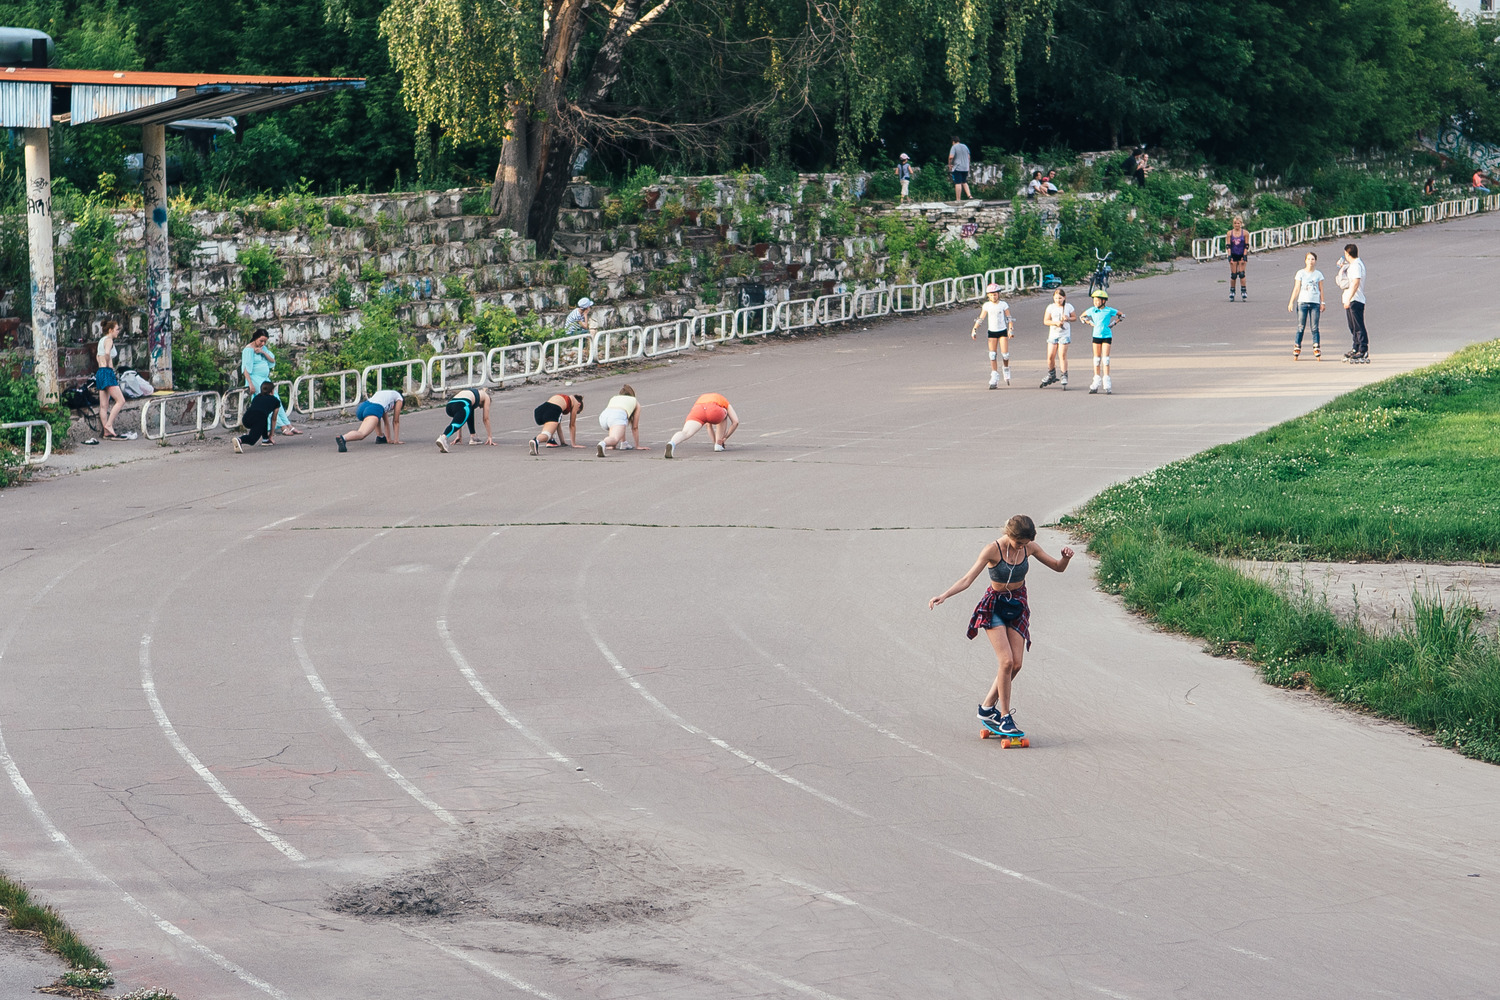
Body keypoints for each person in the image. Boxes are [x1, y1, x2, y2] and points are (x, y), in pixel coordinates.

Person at [927, 514, 1074, 738]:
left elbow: (1057, 567)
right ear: (1009, 534)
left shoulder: (1030, 547)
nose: (1021, 548)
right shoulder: (992, 550)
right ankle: (1005, 717)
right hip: (994, 606)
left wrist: (1065, 558)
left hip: (1017, 604)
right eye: (1018, 543)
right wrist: (944, 595)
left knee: (1016, 664)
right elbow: (967, 579)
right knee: (1005, 661)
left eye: (1025, 544)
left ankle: (987, 707)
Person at [239, 329, 300, 436]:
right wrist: (250, 384)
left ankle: (288, 424)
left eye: (264, 342)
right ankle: (282, 426)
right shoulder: (248, 350)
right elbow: (245, 369)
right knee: (268, 402)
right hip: (255, 379)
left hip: (265, 379)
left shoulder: (263, 348)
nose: (262, 343)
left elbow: (272, 360)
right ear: (255, 338)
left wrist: (262, 351)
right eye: (261, 341)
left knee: (276, 399)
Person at [664, 392, 738, 458]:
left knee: (686, 432)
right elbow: (735, 422)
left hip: (698, 409)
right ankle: (718, 444)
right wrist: (724, 438)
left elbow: (708, 425)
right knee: (724, 413)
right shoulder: (723, 400)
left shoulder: (702, 398)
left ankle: (672, 443)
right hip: (714, 411)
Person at [94, 320, 134, 440]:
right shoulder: (109, 340)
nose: (118, 332)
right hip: (107, 372)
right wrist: (109, 364)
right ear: (110, 330)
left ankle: (106, 432)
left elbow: (97, 355)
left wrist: (102, 364)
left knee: (103, 405)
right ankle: (109, 425)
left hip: (100, 372)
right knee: (120, 400)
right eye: (117, 329)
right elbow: (107, 353)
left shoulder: (101, 340)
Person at [970, 283, 1014, 388]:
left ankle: (1006, 368)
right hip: (992, 332)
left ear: (999, 294)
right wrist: (974, 329)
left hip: (1002, 331)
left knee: (1005, 354)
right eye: (991, 295)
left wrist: (1011, 329)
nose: (993, 297)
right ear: (988, 296)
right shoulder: (987, 306)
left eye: (995, 294)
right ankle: (994, 375)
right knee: (992, 355)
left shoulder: (1003, 305)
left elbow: (1009, 318)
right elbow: (981, 318)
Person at [1080, 289, 1124, 394]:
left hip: (1107, 335)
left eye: (1097, 300)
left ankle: (1107, 381)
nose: (1095, 302)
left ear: (1103, 301)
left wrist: (1114, 323)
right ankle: (1096, 380)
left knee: (1106, 359)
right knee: (1096, 359)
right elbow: (1082, 316)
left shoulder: (1109, 310)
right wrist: (1089, 322)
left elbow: (1122, 315)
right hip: (1096, 335)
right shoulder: (1092, 310)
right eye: (1094, 300)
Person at [337, 388, 405, 451]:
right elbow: (396, 421)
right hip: (373, 409)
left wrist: (389, 439)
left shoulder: (386, 395)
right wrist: (396, 440)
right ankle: (343, 438)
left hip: (363, 406)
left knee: (377, 416)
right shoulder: (399, 399)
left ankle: (380, 437)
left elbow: (386, 421)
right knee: (362, 434)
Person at [1286, 251, 1325, 360]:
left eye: (1312, 259)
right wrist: (1291, 301)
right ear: (1305, 260)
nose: (1310, 261)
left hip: (1315, 303)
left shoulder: (1318, 274)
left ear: (1315, 261)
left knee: (1315, 327)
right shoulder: (1300, 273)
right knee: (1300, 326)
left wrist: (1322, 302)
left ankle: (1316, 346)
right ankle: (1297, 346)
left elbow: (1321, 289)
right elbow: (1297, 288)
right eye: (1308, 259)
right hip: (1302, 302)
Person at [1336, 243, 1369, 362]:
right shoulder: (1353, 265)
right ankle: (1355, 347)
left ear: (1347, 253)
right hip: (1350, 299)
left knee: (1358, 326)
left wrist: (1349, 298)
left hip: (1355, 299)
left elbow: (1356, 282)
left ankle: (1363, 349)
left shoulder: (1356, 265)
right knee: (1352, 326)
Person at [1039, 288, 1076, 389]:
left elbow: (1074, 318)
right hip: (1053, 334)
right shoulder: (1050, 307)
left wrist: (1067, 318)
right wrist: (1055, 323)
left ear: (1064, 298)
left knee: (1062, 355)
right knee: (1050, 356)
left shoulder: (1068, 307)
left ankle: (1064, 374)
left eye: (1060, 298)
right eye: (1056, 298)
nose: (1058, 300)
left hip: (1064, 334)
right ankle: (1051, 373)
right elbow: (1046, 321)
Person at [232, 382, 283, 453]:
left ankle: (265, 439)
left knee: (264, 417)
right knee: (252, 440)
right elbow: (273, 419)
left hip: (246, 418)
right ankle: (240, 439)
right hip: (258, 418)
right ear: (272, 391)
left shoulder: (256, 398)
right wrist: (271, 435)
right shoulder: (276, 401)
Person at [596, 384, 642, 457]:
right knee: (614, 438)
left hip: (603, 417)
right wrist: (637, 446)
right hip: (617, 417)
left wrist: (613, 446)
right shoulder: (635, 401)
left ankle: (623, 443)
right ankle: (603, 443)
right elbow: (635, 427)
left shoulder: (614, 398)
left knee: (617, 427)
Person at [1226, 216, 1249, 302]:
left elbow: (1246, 245)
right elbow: (1228, 245)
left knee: (1242, 274)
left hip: (1241, 254)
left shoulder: (1245, 233)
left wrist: (1245, 255)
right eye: (1235, 223)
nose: (1237, 225)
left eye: (1238, 223)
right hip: (1233, 254)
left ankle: (1243, 291)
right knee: (1234, 275)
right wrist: (1229, 255)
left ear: (1241, 224)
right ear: (1233, 224)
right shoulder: (1230, 233)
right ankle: (1232, 291)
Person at [947, 136, 972, 202]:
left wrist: (950, 164)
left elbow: (951, 157)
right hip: (965, 167)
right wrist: (967, 165)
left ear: (953, 142)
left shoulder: (954, 147)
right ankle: (969, 196)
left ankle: (958, 199)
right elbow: (968, 157)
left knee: (958, 183)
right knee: (964, 181)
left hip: (957, 167)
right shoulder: (965, 146)